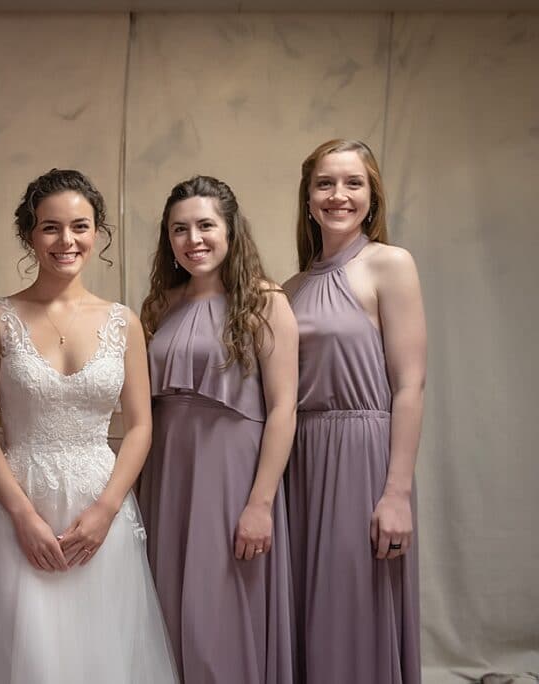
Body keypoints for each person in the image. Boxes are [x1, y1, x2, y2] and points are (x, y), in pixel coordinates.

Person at [0, 169, 178, 683]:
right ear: (29, 235)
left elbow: (140, 426)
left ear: (97, 233)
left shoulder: (123, 321)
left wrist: (106, 509)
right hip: (17, 502)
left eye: (80, 226)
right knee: (25, 655)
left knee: (102, 656)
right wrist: (22, 516)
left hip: (101, 506)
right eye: (50, 227)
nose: (66, 240)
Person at [138, 175, 297, 683]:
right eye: (179, 229)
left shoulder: (264, 301)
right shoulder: (161, 304)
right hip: (168, 471)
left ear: (231, 230)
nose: (193, 240)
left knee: (221, 609)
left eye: (206, 225)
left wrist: (260, 503)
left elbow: (284, 407)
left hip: (233, 473)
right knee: (165, 603)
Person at [284, 139, 425, 684]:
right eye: (325, 183)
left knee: (354, 608)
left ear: (372, 194)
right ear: (308, 196)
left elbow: (410, 385)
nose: (338, 195)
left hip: (363, 458)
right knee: (307, 610)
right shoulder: (291, 287)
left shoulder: (389, 265)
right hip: (301, 459)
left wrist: (397, 493)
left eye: (352, 183)